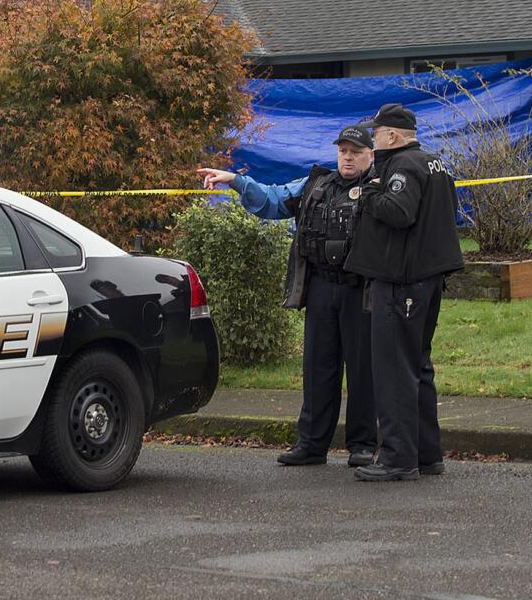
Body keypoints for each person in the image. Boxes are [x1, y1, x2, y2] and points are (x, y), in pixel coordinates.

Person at [197, 126, 377, 468]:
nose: (348, 157)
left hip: (361, 289)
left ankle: (362, 444)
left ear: (371, 155)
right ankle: (311, 444)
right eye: (343, 151)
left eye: (355, 151)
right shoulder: (315, 185)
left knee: (362, 369)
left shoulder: (378, 188)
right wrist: (234, 180)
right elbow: (272, 200)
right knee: (317, 368)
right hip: (322, 287)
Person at [344, 103, 464, 482]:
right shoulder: (435, 164)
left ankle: (397, 457)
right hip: (426, 279)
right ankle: (427, 454)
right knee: (418, 367)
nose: (372, 139)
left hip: (400, 282)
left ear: (392, 135)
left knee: (394, 370)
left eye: (376, 133)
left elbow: (399, 211)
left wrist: (368, 194)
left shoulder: (401, 167)